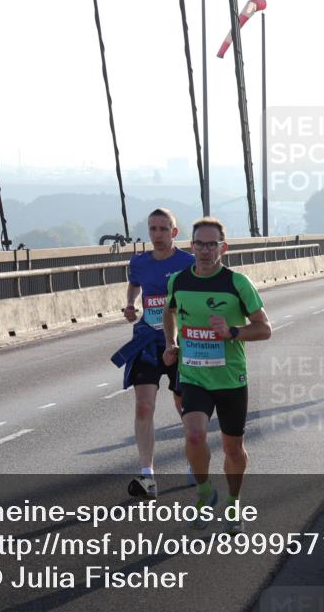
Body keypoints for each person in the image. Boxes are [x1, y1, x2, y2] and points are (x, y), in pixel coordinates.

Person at [162, 217, 272, 533]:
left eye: (212, 245)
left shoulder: (237, 283)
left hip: (230, 379)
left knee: (232, 448)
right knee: (194, 435)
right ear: (191, 246)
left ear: (223, 247)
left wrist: (233, 332)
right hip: (193, 376)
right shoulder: (179, 281)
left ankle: (234, 500)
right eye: (200, 244)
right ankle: (204, 493)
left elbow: (265, 329)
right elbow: (169, 312)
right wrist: (171, 342)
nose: (206, 251)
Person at [112, 209, 195, 499]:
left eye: (163, 229)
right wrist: (130, 304)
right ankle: (148, 475)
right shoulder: (139, 262)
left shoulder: (189, 262)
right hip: (147, 341)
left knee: (184, 404)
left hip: (181, 343)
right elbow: (135, 283)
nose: (157, 234)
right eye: (152, 229)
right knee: (143, 406)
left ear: (174, 233)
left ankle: (193, 459)